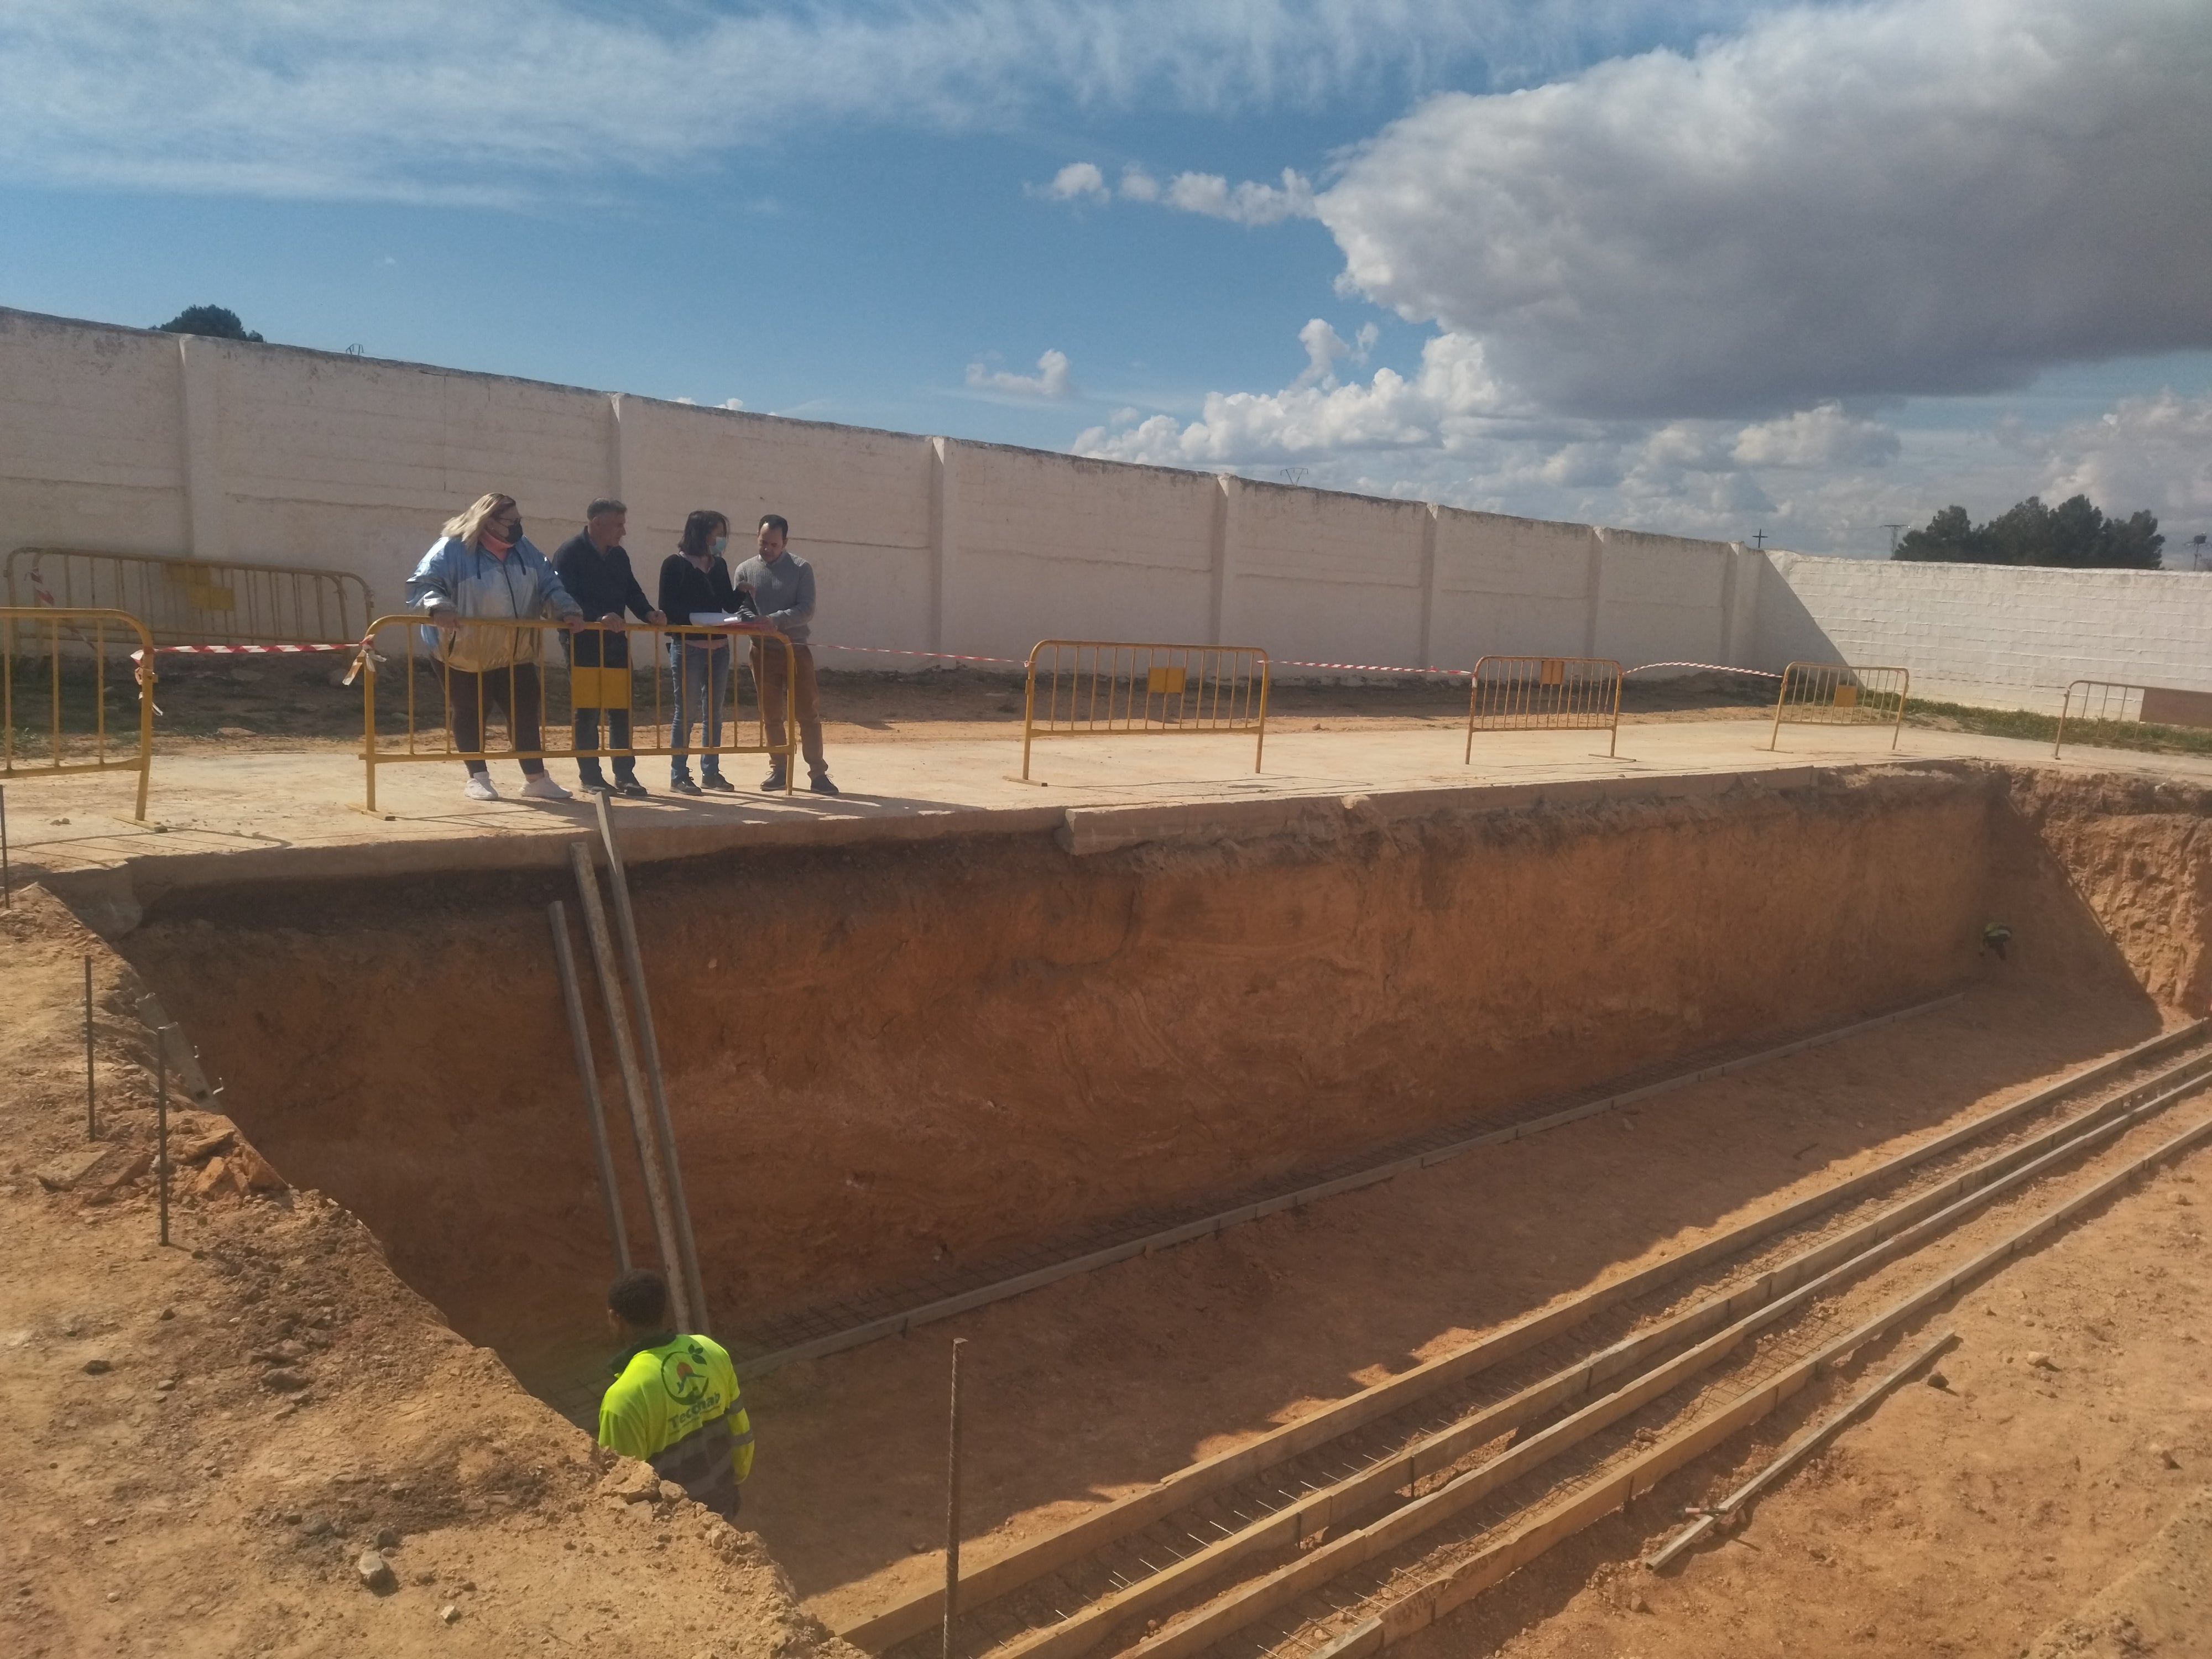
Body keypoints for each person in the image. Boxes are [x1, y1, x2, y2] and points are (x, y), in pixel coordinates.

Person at [405, 492, 586, 802]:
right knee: (471, 710)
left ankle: (536, 779)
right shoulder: (453, 549)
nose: (518, 527)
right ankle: (478, 777)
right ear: (488, 521)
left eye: (519, 521)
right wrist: (438, 605)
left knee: (525, 710)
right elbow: (424, 583)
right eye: (511, 521)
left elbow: (549, 584)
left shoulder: (525, 550)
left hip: (514, 650)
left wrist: (567, 609)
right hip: (464, 650)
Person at [597, 1269, 753, 1519]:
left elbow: (625, 1490)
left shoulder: (623, 1398)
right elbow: (740, 1433)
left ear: (615, 1317)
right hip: (723, 1507)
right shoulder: (710, 1351)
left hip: (675, 1530)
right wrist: (729, 1486)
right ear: (662, 1310)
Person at [552, 499, 665, 797]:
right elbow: (563, 596)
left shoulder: (619, 556)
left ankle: (625, 775)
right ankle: (590, 775)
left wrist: (648, 613)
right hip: (583, 642)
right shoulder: (569, 553)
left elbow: (631, 591)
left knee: (620, 709)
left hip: (615, 643)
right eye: (618, 524)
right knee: (588, 711)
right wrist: (595, 618)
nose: (623, 531)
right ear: (597, 523)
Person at [734, 514, 836, 795]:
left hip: (796, 651)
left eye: (774, 545)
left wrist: (775, 620)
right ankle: (779, 769)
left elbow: (807, 609)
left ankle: (818, 773)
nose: (767, 549)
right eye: (763, 542)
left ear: (785, 543)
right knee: (771, 714)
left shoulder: (801, 569)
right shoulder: (744, 570)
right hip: (762, 652)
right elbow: (739, 607)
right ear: (757, 537)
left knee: (807, 713)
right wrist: (751, 620)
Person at [656, 512, 753, 795]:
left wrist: (742, 592)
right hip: (688, 649)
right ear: (700, 533)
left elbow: (727, 602)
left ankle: (711, 772)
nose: (721, 539)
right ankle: (679, 774)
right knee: (685, 713)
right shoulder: (674, 565)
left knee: (715, 713)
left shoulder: (719, 565)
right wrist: (696, 618)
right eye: (717, 533)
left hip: (719, 649)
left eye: (723, 533)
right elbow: (668, 607)